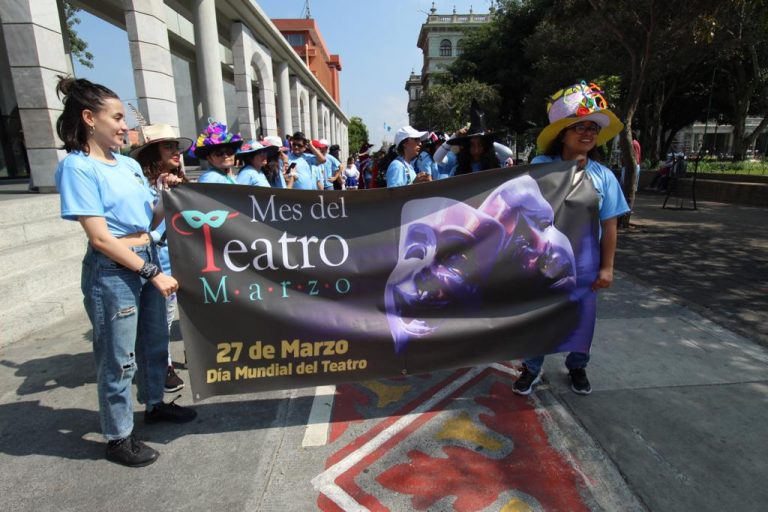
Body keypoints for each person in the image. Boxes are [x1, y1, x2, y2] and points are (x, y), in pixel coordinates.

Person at [54, 76, 196, 467]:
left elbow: (149, 219)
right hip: (113, 271)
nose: (124, 127)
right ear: (88, 118)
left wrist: (167, 195)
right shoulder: (77, 169)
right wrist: (152, 271)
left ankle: (154, 404)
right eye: (116, 117)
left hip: (144, 255)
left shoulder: (130, 165)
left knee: (154, 343)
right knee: (118, 357)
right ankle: (118, 436)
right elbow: (100, 238)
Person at [514, 81, 630, 397]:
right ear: (562, 134)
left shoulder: (604, 175)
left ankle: (578, 365)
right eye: (579, 126)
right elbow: (523, 210)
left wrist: (607, 267)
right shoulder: (540, 168)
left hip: (585, 263)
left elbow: (610, 226)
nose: (587, 133)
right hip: (543, 261)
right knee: (539, 317)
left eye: (592, 127)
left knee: (583, 319)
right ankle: (531, 368)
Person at [131, 123, 193, 394]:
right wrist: (164, 194)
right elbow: (146, 227)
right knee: (162, 320)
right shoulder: (143, 187)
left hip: (188, 258)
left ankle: (195, 353)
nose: (176, 152)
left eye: (176, 147)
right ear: (152, 153)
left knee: (191, 312)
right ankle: (163, 366)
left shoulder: (179, 181)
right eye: (168, 146)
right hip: (161, 261)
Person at [434, 100, 513, 176]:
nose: (476, 150)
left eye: (480, 145)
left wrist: (489, 138)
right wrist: (455, 135)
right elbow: (437, 158)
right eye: (472, 145)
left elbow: (508, 153)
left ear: (486, 146)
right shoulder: (457, 165)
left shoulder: (495, 161)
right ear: (467, 146)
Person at [190, 119, 243, 184]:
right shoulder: (209, 178)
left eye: (229, 152)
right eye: (219, 153)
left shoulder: (226, 175)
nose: (225, 155)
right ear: (209, 158)